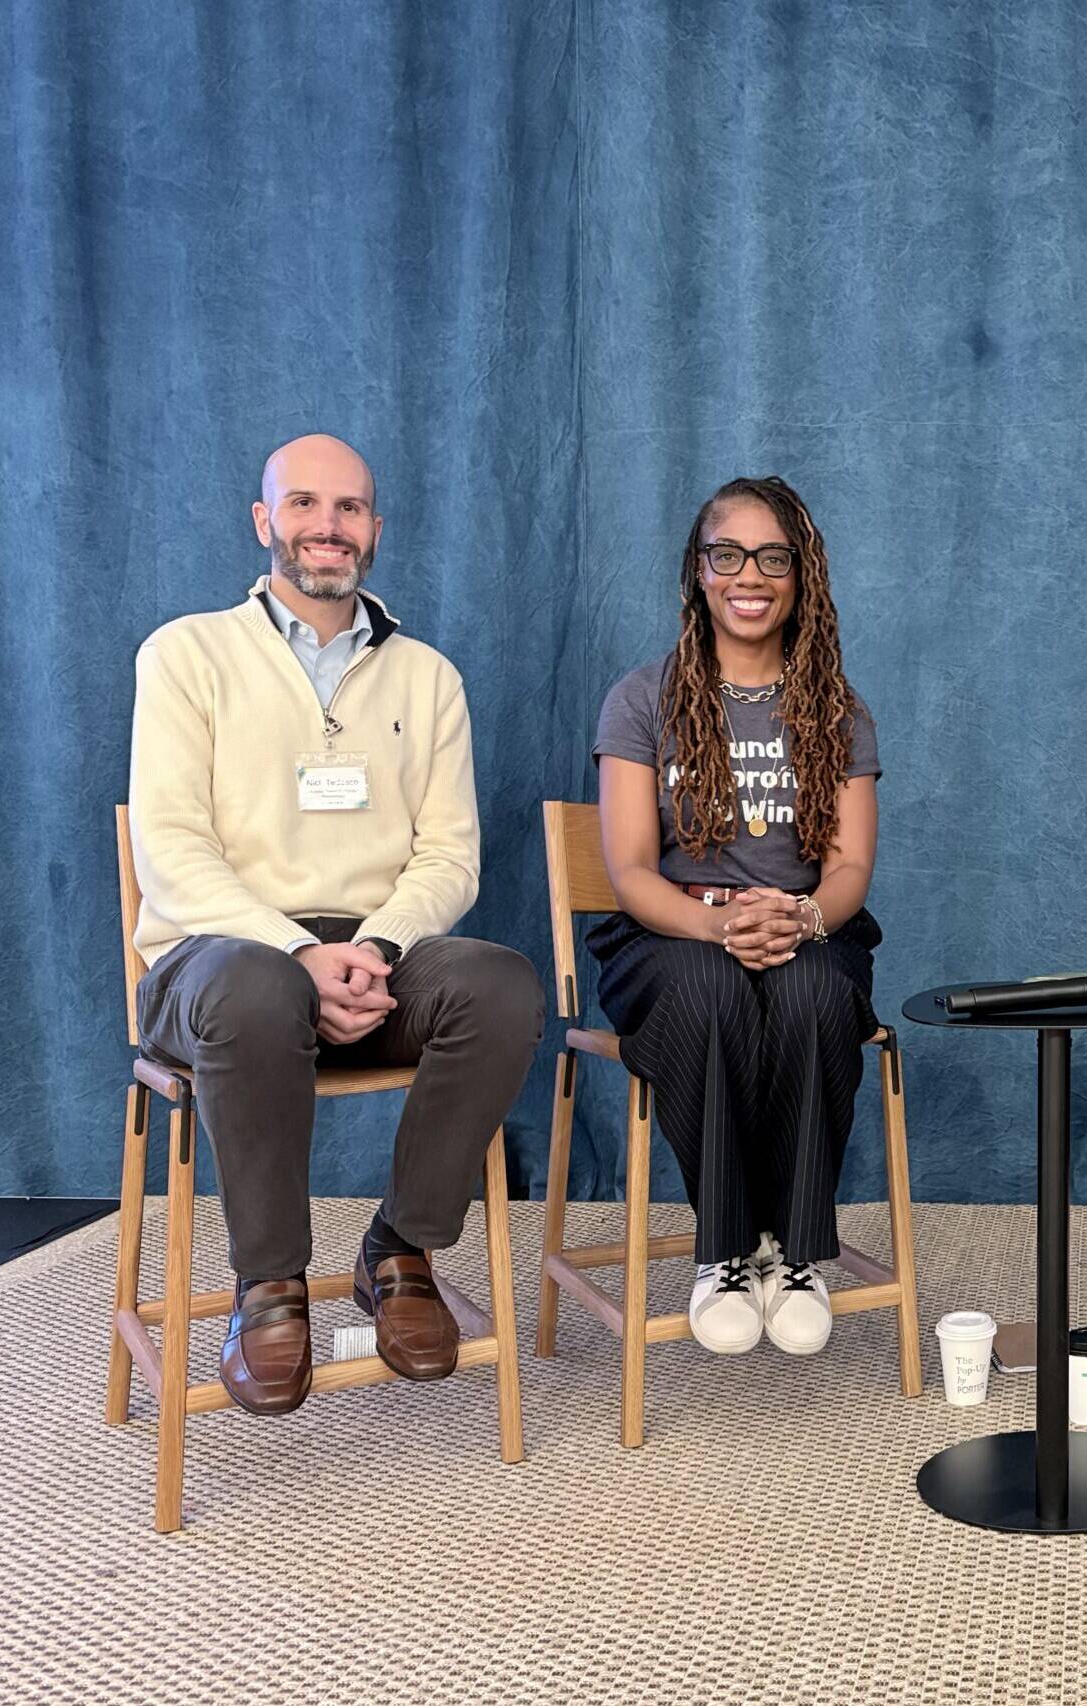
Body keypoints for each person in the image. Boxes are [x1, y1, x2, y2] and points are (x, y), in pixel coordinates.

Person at [128, 433, 544, 1416]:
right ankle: (268, 1283)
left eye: (350, 507)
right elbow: (172, 851)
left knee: (500, 983)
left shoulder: (429, 677)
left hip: (376, 951)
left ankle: (399, 1249)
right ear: (265, 521)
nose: (328, 525)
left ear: (376, 528)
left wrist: (375, 949)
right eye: (305, 504)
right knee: (256, 985)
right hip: (218, 959)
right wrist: (300, 952)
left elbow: (449, 856)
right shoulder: (186, 654)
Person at [587, 476, 881, 1358]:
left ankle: (792, 1255)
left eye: (772, 557)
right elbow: (632, 869)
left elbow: (851, 869)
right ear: (697, 573)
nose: (748, 575)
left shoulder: (838, 711)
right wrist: (717, 925)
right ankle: (725, 1251)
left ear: (802, 576)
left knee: (812, 999)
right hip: (669, 934)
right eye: (727, 554)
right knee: (711, 991)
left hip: (806, 928)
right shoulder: (642, 700)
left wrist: (799, 920)